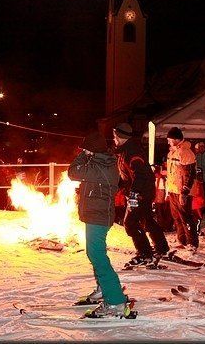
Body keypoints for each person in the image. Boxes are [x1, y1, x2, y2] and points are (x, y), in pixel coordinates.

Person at [68, 131, 133, 319]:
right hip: (96, 215)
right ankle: (104, 289)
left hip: (98, 216)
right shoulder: (102, 162)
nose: (84, 152)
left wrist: (83, 154)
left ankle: (115, 301)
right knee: (96, 254)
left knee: (97, 256)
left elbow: (73, 172)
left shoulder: (101, 167)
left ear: (92, 150)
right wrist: (88, 154)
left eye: (86, 149)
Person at [113, 123, 169, 266]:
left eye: (115, 136)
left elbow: (141, 175)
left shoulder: (132, 152)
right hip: (141, 191)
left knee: (130, 223)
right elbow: (126, 176)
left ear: (120, 137)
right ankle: (161, 247)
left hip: (140, 193)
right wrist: (118, 187)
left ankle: (145, 254)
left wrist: (134, 193)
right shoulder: (125, 151)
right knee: (147, 219)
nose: (113, 139)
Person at [165, 127, 200, 252]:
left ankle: (192, 242)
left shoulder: (185, 153)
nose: (168, 142)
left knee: (186, 217)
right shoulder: (172, 152)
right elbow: (173, 172)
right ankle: (183, 240)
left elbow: (190, 174)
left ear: (176, 139)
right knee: (177, 217)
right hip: (173, 189)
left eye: (169, 139)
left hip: (182, 191)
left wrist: (184, 192)